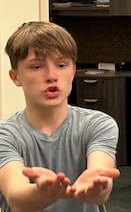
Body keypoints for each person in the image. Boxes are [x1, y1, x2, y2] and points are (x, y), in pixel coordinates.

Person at [0, 21, 120, 212]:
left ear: (73, 71)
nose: (51, 75)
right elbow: (16, 197)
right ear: (15, 77)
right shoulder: (5, 135)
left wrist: (97, 186)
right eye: (37, 67)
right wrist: (42, 194)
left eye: (61, 65)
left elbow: (101, 186)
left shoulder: (98, 124)